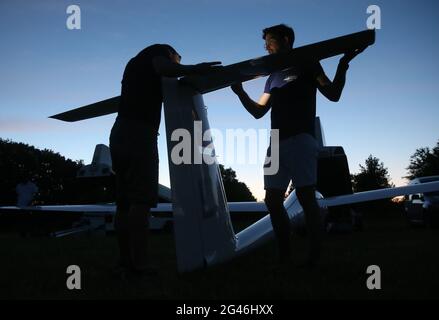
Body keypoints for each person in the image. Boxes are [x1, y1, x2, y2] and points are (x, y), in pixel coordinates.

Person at [231, 24, 365, 268]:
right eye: (265, 43)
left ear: (285, 39)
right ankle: (285, 256)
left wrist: (344, 64)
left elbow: (333, 93)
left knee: (305, 196)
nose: (266, 46)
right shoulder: (272, 77)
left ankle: (314, 257)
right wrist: (240, 93)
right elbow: (259, 112)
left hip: (301, 139)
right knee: (272, 200)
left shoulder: (308, 64)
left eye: (270, 40)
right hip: (276, 143)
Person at [109, 44, 221, 278]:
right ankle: (140, 265)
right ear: (171, 54)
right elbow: (163, 66)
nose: (177, 66)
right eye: (177, 61)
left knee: (123, 202)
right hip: (140, 133)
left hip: (120, 131)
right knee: (140, 201)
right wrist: (193, 69)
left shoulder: (134, 66)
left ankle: (124, 260)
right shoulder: (157, 53)